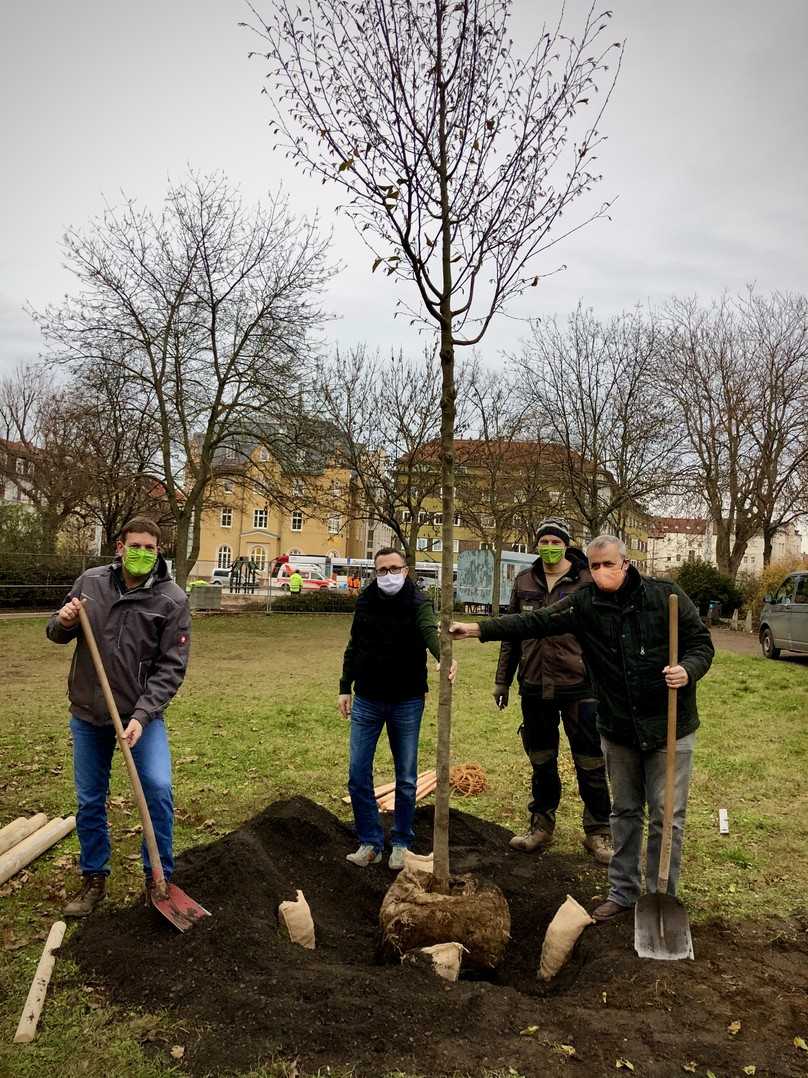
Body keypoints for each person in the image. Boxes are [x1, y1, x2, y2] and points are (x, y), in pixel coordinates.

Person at [450, 535, 714, 922]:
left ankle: (660, 898)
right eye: (595, 566)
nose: (602, 571)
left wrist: (687, 670)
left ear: (626, 563)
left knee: (665, 815)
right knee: (624, 812)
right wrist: (477, 629)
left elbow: (701, 644)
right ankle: (623, 892)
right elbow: (534, 621)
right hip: (619, 726)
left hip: (668, 725)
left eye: (609, 564)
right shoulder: (585, 604)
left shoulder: (665, 597)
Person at [46, 517, 191, 916]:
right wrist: (63, 621)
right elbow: (55, 633)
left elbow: (171, 667)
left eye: (150, 547)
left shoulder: (172, 599)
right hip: (89, 713)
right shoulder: (90, 583)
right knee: (91, 799)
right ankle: (94, 877)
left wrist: (144, 715)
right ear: (119, 547)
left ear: (158, 550)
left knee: (158, 789)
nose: (142, 553)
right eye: (136, 546)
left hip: (139, 717)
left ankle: (157, 878)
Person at [494, 518, 612, 865]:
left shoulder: (586, 581)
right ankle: (541, 826)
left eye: (555, 541)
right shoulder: (524, 581)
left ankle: (598, 832)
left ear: (566, 544)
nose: (549, 546)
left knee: (590, 761)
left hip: (580, 687)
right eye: (543, 540)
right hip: (534, 685)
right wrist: (503, 680)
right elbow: (511, 634)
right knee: (541, 759)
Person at [338, 547, 456, 870]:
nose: (388, 575)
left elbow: (430, 633)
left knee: (406, 777)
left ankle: (401, 841)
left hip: (407, 700)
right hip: (367, 699)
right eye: (381, 570)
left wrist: (444, 657)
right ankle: (370, 841)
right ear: (374, 573)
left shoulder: (418, 602)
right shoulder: (365, 602)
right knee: (357, 773)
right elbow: (353, 645)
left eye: (394, 568)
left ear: (405, 570)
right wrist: (343, 688)